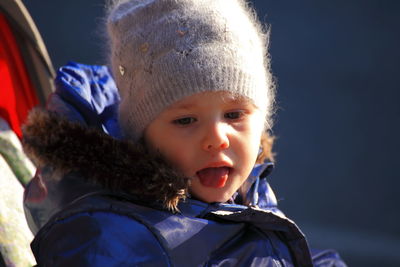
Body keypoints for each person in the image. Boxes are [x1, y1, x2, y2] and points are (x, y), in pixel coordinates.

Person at [22, 0, 346, 266]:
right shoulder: (116, 239)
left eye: (234, 115)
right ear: (142, 136)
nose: (217, 138)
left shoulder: (247, 188)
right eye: (186, 120)